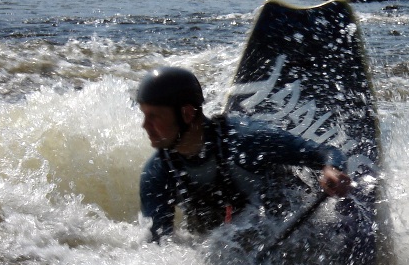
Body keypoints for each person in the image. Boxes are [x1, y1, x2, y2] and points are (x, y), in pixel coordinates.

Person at [137, 66, 352, 242]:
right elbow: (157, 245)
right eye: (144, 115)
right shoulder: (157, 174)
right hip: (224, 246)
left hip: (286, 227)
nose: (145, 126)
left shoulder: (246, 140)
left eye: (154, 117)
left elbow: (324, 153)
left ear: (187, 114)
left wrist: (332, 170)